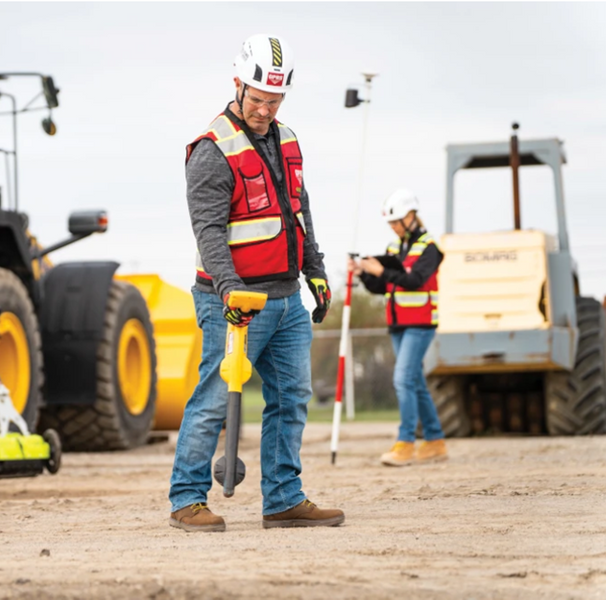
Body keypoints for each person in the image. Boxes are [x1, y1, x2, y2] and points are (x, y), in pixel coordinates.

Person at [168, 34, 345, 532]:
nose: (266, 109)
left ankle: (284, 500)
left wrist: (316, 269)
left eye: (275, 100)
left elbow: (297, 212)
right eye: (258, 99)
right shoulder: (211, 150)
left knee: (291, 399)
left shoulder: (287, 139)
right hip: (234, 302)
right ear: (238, 84)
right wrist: (229, 290)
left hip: (287, 299)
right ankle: (187, 500)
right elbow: (208, 232)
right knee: (211, 400)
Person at [349, 189, 447, 467]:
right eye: (390, 223)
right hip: (398, 324)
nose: (393, 227)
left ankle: (405, 442)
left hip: (421, 324)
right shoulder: (394, 249)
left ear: (411, 216)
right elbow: (383, 287)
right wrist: (365, 274)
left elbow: (415, 280)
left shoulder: (430, 248)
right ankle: (435, 441)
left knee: (403, 379)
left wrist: (382, 271)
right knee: (414, 382)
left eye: (396, 221)